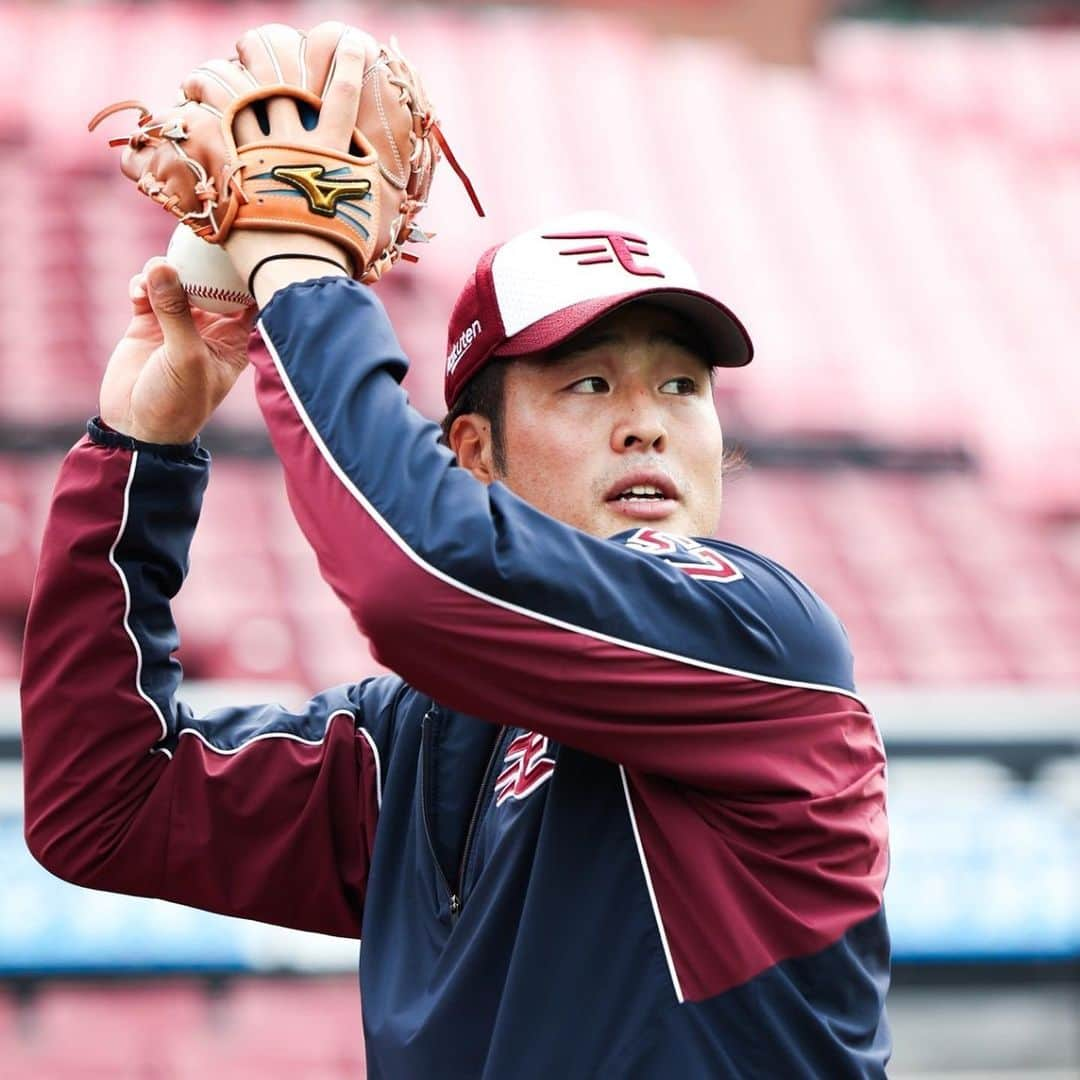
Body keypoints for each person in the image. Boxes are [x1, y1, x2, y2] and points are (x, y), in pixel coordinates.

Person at [20, 42, 890, 1080]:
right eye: (589, 386)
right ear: (473, 453)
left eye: (679, 387)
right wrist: (140, 448)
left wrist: (298, 277)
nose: (647, 426)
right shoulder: (415, 740)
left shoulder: (757, 635)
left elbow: (415, 578)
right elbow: (102, 805)